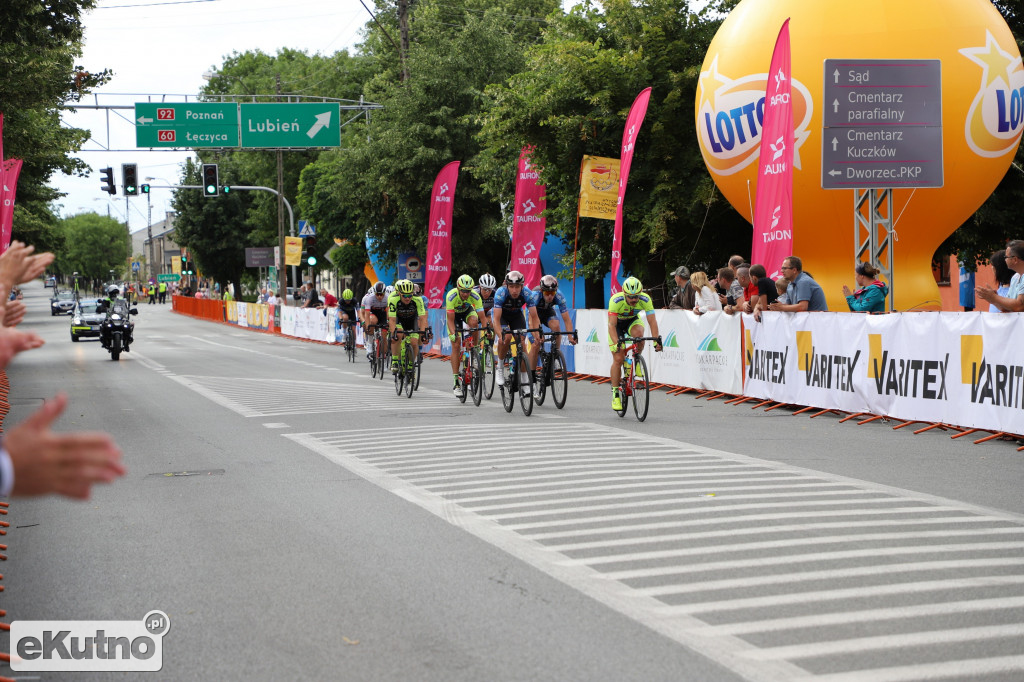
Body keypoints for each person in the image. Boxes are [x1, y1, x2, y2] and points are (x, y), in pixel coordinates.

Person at [607, 277, 663, 411]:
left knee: (639, 336)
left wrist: (656, 341)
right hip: (617, 326)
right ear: (624, 294)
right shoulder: (616, 300)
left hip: (632, 321)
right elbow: (612, 325)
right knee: (618, 358)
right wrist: (617, 344)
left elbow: (652, 322)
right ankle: (615, 394)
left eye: (636, 297)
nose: (634, 300)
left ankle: (636, 360)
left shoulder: (645, 299)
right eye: (631, 297)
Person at [492, 270, 541, 391]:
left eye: (517, 287)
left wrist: (538, 334)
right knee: (506, 338)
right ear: (507, 286)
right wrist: (500, 336)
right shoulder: (500, 293)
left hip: (516, 316)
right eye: (512, 287)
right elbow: (496, 320)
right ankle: (500, 366)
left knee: (522, 346)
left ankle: (524, 379)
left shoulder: (527, 293)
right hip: (502, 316)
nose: (514, 290)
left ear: (522, 286)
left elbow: (534, 316)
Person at [445, 274, 487, 396]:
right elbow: (450, 320)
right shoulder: (451, 296)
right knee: (456, 344)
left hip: (467, 312)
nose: (465, 294)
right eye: (463, 291)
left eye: (468, 291)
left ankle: (475, 348)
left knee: (475, 322)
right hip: (454, 318)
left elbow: (482, 317)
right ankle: (456, 382)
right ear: (458, 289)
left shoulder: (475, 296)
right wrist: (453, 334)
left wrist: (487, 330)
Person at [531, 275, 577, 382]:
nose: (550, 296)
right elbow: (531, 319)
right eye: (547, 293)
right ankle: (531, 373)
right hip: (534, 314)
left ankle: (555, 355)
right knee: (536, 344)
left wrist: (570, 336)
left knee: (557, 327)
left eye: (553, 293)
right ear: (542, 290)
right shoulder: (535, 296)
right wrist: (537, 334)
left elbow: (566, 318)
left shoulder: (559, 296)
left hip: (547, 312)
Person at [388, 279, 428, 374]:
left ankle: (411, 363)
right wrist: (394, 334)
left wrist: (422, 333)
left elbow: (422, 318)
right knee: (397, 335)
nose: (407, 298)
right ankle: (394, 360)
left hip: (411, 320)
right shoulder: (393, 299)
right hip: (398, 319)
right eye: (404, 296)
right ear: (399, 294)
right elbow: (392, 319)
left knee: (414, 342)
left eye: (410, 295)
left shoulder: (418, 300)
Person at [977, 240, 1024, 312]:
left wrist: (994, 297)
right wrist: (993, 300)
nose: (1005, 260)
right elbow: (1006, 309)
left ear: (1015, 260)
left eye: (1006, 257)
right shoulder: (1015, 278)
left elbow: (1020, 306)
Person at [360, 281, 390, 358]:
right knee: (372, 321)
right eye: (377, 294)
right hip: (373, 313)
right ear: (374, 292)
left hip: (383, 313)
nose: (379, 296)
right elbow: (366, 314)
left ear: (384, 293)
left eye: (381, 294)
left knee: (384, 336)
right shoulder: (369, 298)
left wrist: (388, 322)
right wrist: (367, 325)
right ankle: (370, 344)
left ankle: (383, 356)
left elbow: (389, 312)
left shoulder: (388, 297)